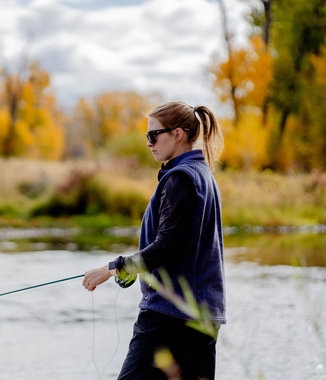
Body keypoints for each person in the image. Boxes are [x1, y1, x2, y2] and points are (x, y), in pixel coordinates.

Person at [83, 100, 226, 380]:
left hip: (170, 316)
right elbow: (180, 248)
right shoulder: (203, 175)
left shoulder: (180, 179)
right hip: (205, 317)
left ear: (178, 134)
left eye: (153, 135)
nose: (149, 143)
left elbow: (166, 248)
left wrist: (112, 268)